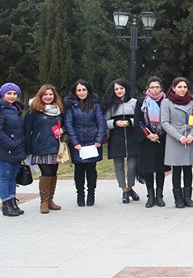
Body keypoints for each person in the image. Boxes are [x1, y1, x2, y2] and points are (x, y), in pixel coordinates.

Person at [0, 83, 27, 217]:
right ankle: (6, 204)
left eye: (14, 93)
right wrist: (11, 144)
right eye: (9, 93)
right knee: (4, 176)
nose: (12, 96)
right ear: (2, 94)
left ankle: (12, 202)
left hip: (16, 149)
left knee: (13, 177)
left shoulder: (17, 109)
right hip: (4, 150)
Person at [64, 79, 106, 207]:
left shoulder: (95, 105)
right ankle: (80, 193)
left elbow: (101, 123)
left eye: (84, 90)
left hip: (92, 142)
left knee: (91, 169)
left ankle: (91, 193)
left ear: (88, 91)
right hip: (77, 143)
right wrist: (75, 142)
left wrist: (99, 140)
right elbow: (68, 124)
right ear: (75, 92)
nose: (81, 92)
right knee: (79, 170)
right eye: (79, 90)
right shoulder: (71, 106)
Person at [24, 84, 65, 214]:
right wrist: (27, 148)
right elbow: (27, 129)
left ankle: (50, 200)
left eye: (50, 94)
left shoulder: (58, 110)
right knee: (46, 173)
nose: (48, 97)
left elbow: (65, 126)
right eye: (45, 94)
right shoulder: (33, 110)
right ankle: (43, 201)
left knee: (53, 173)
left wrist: (62, 130)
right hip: (40, 146)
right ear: (40, 96)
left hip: (55, 146)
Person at [161, 77, 193, 208]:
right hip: (175, 140)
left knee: (188, 168)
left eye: (184, 87)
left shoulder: (191, 102)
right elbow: (165, 122)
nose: (183, 90)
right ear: (173, 88)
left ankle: (188, 197)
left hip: (188, 139)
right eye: (179, 87)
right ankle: (178, 198)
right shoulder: (167, 103)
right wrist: (178, 137)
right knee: (176, 170)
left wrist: (192, 135)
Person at [101, 78, 140, 205]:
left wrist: (130, 122)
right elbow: (104, 122)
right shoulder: (110, 104)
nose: (119, 91)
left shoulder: (134, 102)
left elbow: (140, 119)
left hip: (132, 137)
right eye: (116, 89)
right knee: (118, 165)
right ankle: (124, 190)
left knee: (132, 165)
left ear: (126, 89)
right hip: (116, 137)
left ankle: (129, 187)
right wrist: (115, 123)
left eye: (121, 88)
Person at [135, 76, 167, 208]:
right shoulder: (142, 102)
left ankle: (159, 196)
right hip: (147, 140)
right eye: (152, 87)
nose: (155, 90)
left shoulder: (166, 101)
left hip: (162, 138)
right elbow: (138, 121)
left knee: (160, 169)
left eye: (157, 87)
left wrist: (160, 133)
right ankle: (151, 196)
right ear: (148, 88)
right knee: (148, 169)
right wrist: (148, 135)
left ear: (161, 88)